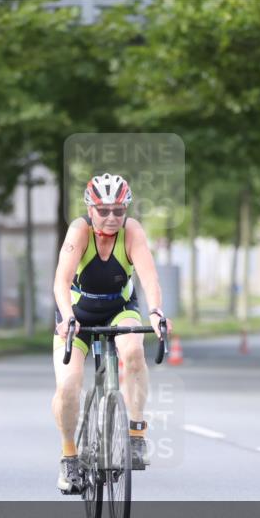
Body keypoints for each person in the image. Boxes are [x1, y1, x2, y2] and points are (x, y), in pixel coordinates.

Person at [51, 173, 170, 493]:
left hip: (120, 309)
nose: (111, 217)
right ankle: (69, 457)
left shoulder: (131, 232)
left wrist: (157, 312)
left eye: (119, 210)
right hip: (77, 314)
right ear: (90, 209)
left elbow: (148, 277)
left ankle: (135, 434)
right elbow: (61, 281)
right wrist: (67, 318)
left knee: (132, 352)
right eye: (103, 210)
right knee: (69, 385)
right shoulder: (80, 231)